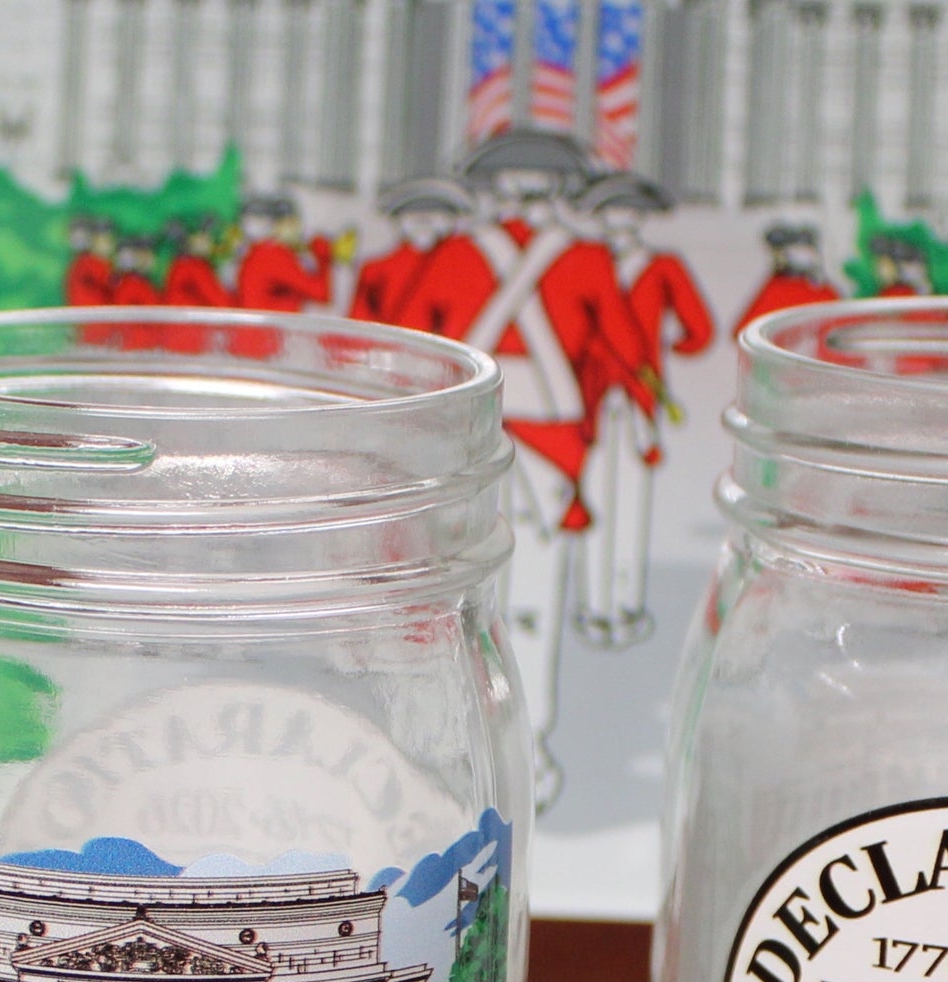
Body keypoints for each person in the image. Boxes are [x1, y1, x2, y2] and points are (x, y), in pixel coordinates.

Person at [458, 130, 657, 809]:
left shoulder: (463, 252)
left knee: (463, 603)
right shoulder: (583, 256)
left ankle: (486, 757)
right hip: (533, 445)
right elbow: (624, 344)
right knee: (529, 601)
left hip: (472, 446)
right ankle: (526, 754)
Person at [571, 170, 712, 649]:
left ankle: (626, 604)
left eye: (629, 210)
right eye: (610, 210)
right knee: (590, 500)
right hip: (587, 395)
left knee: (630, 503)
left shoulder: (662, 265)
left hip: (638, 396)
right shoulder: (582, 262)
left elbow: (700, 330)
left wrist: (658, 346)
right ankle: (595, 605)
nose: (619, 219)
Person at [354, 178, 493, 334]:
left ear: (452, 220)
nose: (424, 220)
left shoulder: (470, 269)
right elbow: (359, 329)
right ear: (397, 219)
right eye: (413, 212)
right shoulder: (375, 271)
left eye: (436, 213)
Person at [234, 195, 349, 311]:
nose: (296, 228)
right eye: (290, 222)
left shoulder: (261, 251)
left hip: (268, 325)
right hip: (269, 327)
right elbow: (322, 294)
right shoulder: (272, 255)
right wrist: (323, 256)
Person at [736, 224, 843, 332]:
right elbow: (746, 332)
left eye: (805, 250)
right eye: (794, 251)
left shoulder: (819, 289)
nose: (803, 256)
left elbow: (843, 323)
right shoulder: (775, 289)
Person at [64, 215, 116, 307]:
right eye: (102, 240)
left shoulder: (101, 263)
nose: (107, 245)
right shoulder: (87, 264)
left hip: (102, 315)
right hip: (95, 316)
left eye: (108, 240)